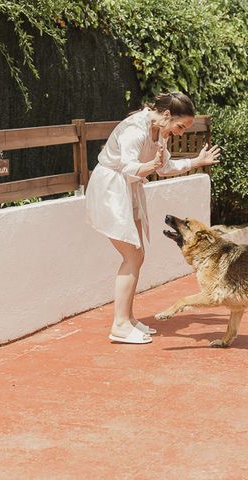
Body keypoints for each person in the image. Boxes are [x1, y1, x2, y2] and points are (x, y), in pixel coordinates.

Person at [85, 92, 220, 344]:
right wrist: (151, 165)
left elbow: (164, 168)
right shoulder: (135, 129)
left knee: (138, 254)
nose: (181, 132)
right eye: (181, 126)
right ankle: (120, 325)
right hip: (112, 188)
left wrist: (197, 161)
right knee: (132, 255)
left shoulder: (160, 132)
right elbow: (128, 167)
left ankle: (128, 319)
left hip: (129, 188)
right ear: (167, 115)